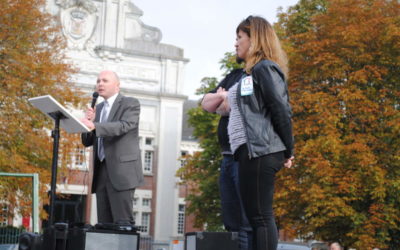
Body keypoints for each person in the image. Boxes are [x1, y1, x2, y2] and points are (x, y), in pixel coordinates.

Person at [214, 16, 294, 250]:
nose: (235, 43)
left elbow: (281, 109)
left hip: (261, 151)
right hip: (247, 153)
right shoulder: (249, 74)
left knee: (260, 217)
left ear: (254, 39)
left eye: (240, 38)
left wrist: (289, 149)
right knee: (252, 216)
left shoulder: (265, 68)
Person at [81, 70, 144, 224]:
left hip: (122, 171)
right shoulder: (99, 108)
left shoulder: (130, 103)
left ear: (117, 85)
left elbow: (124, 126)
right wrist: (87, 124)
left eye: (105, 80)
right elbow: (88, 141)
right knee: (104, 224)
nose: (100, 84)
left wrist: (95, 125)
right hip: (101, 170)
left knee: (122, 223)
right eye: (98, 81)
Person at [202, 64, 252, 250]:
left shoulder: (259, 74)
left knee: (246, 219)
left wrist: (223, 98)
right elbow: (206, 104)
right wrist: (222, 98)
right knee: (230, 219)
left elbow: (243, 107)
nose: (235, 44)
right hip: (227, 157)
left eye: (239, 38)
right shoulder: (234, 74)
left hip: (245, 156)